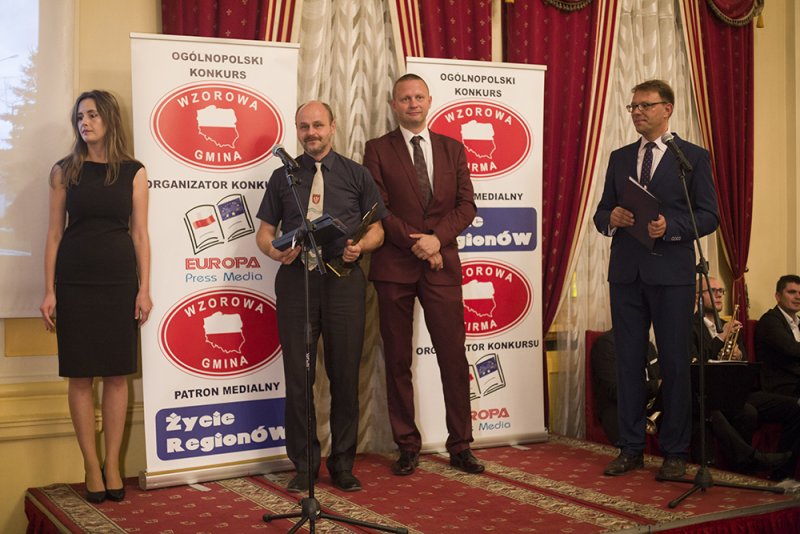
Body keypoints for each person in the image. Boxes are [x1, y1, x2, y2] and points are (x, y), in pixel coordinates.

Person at [255, 101, 386, 493]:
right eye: (303, 126)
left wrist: (360, 247)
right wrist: (274, 251)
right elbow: (264, 232)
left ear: (333, 126)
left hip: (344, 282)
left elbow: (377, 229)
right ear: (297, 130)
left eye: (317, 125)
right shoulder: (283, 176)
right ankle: (305, 465)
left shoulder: (356, 174)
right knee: (299, 378)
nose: (310, 132)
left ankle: (343, 464)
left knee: (345, 376)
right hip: (297, 284)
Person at [593, 79, 719, 479]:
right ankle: (630, 448)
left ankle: (675, 452)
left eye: (645, 105)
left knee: (675, 363)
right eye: (632, 107)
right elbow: (601, 213)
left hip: (672, 274)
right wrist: (611, 218)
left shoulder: (692, 158)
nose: (637, 112)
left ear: (667, 109)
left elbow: (708, 215)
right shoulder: (619, 158)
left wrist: (672, 228)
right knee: (629, 362)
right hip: (626, 274)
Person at [363, 73, 484, 476]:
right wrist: (418, 243)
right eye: (405, 98)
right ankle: (407, 445)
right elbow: (377, 207)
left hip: (441, 265)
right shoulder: (377, 149)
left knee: (453, 357)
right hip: (394, 267)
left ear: (429, 100)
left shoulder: (453, 148)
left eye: (418, 97)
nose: (412, 104)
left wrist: (437, 241)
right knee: (398, 360)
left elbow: (466, 205)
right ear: (394, 105)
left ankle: (461, 445)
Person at [39, 90, 152, 504]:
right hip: (74, 281)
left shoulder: (134, 172)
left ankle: (112, 464)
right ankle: (91, 465)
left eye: (92, 115)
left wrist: (144, 288)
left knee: (117, 375)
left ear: (109, 119)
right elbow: (54, 234)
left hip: (119, 282)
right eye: (80, 117)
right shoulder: (64, 171)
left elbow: (140, 234)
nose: (84, 123)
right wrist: (49, 289)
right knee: (81, 375)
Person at [691, 277, 796, 475]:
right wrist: (720, 338)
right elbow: (695, 366)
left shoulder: (729, 325)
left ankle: (782, 470)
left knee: (794, 407)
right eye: (712, 291)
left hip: (736, 391)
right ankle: (745, 465)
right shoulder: (689, 326)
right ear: (697, 297)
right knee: (747, 412)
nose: (719, 295)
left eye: (721, 290)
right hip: (708, 394)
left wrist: (739, 357)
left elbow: (745, 366)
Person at [591, 329, 660, 446]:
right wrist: (655, 385)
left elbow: (658, 375)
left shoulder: (648, 345)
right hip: (620, 410)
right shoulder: (606, 344)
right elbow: (615, 390)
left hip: (650, 406)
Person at [755, 274, 800, 398]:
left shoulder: (798, 322)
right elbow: (791, 349)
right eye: (792, 292)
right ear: (778, 296)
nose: (798, 297)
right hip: (781, 385)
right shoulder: (769, 321)